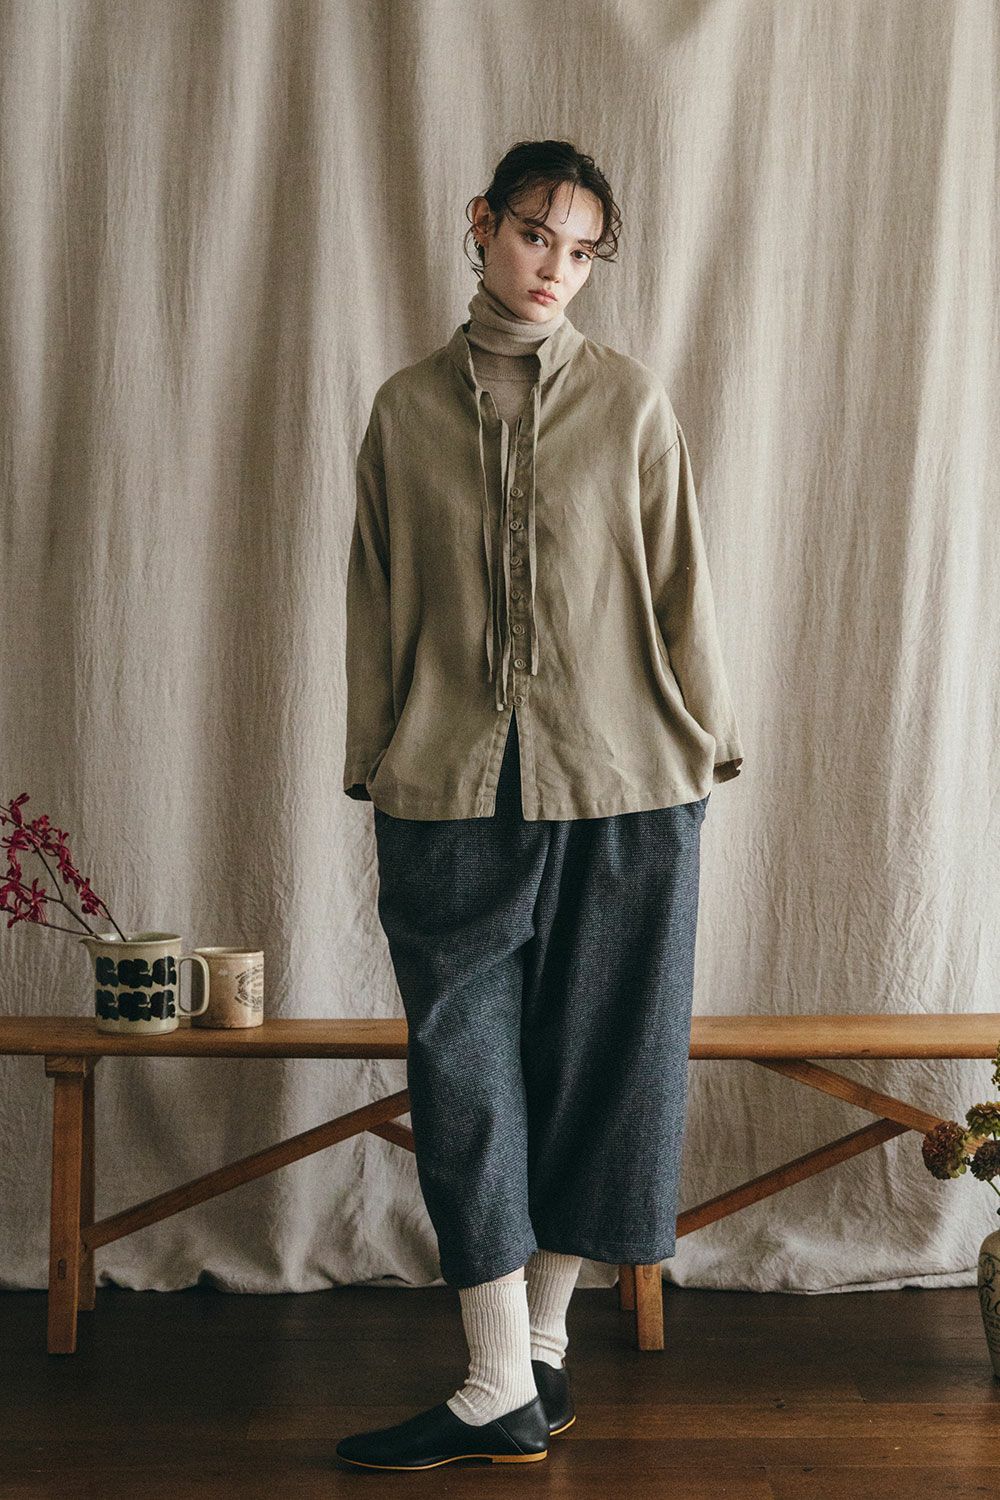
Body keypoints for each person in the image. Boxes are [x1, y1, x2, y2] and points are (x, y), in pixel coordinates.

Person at [336, 138, 744, 1471]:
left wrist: (706, 738)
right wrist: (376, 749)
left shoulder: (630, 402)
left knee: (603, 1062)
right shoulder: (405, 411)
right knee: (463, 1073)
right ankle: (496, 1374)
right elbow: (376, 592)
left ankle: (534, 1356)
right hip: (449, 785)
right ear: (482, 225)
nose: (553, 268)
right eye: (531, 236)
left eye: (579, 251)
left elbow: (680, 580)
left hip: (627, 784)